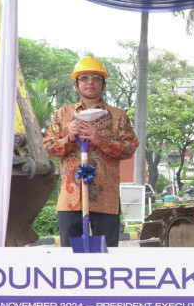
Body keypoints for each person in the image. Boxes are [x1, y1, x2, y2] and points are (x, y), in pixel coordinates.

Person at [44, 56, 138, 247]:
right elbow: (49, 147)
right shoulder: (63, 114)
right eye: (84, 77)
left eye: (96, 78)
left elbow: (130, 148)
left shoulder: (118, 116)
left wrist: (100, 141)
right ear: (75, 84)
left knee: (107, 255)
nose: (90, 82)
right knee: (69, 258)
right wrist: (69, 138)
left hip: (106, 199)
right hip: (70, 199)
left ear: (103, 85)